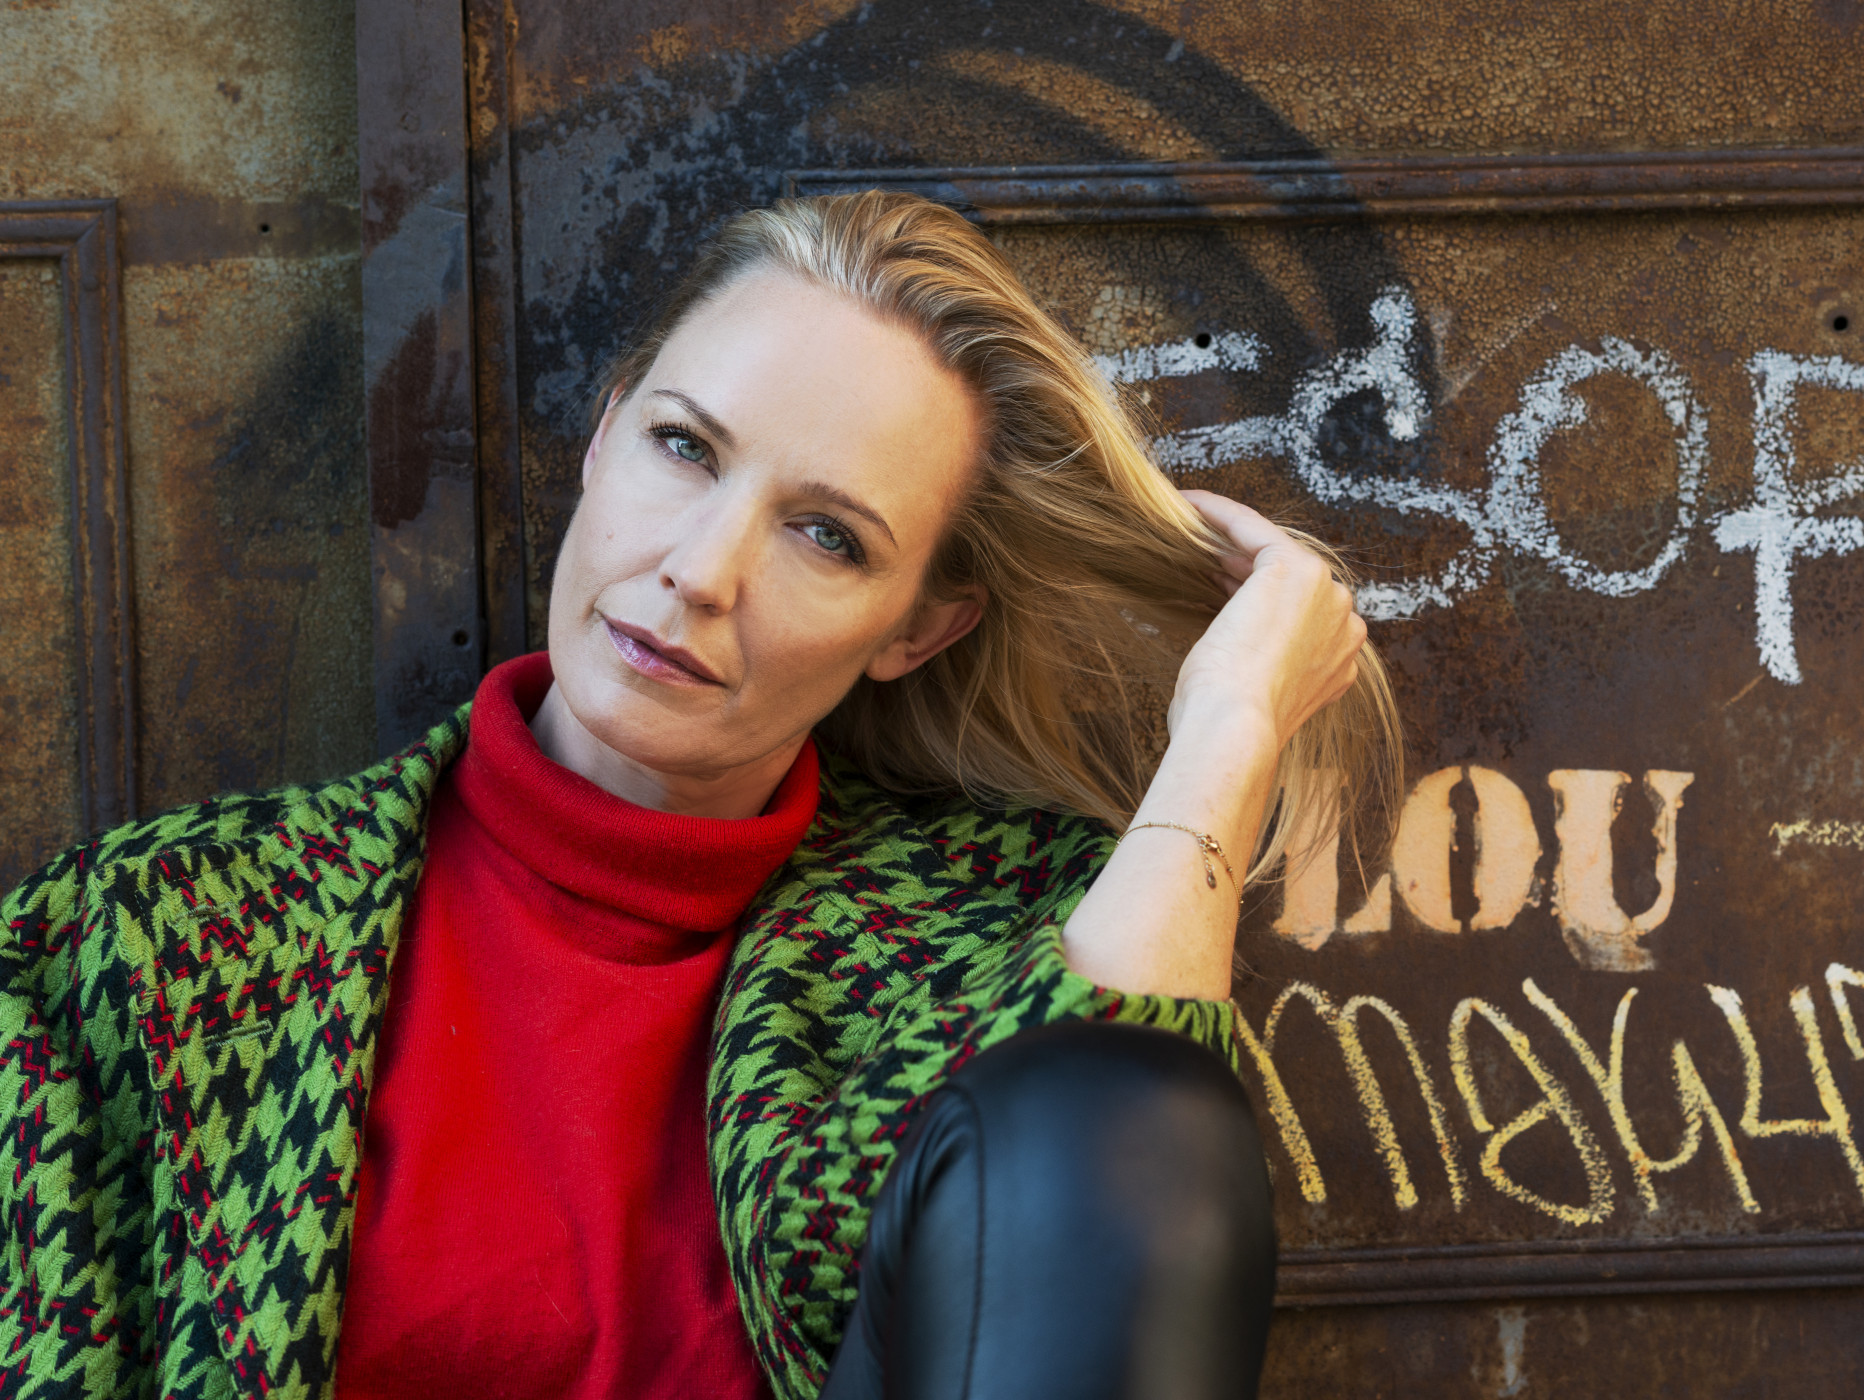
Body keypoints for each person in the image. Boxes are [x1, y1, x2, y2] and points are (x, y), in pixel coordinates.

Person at [0, 192, 1399, 1400]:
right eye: (684, 447)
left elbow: (1117, 1187)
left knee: (1127, 1114)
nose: (701, 570)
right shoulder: (153, 937)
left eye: (826, 535)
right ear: (605, 432)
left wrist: (1229, 730)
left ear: (917, 629)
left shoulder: (1000, 934)